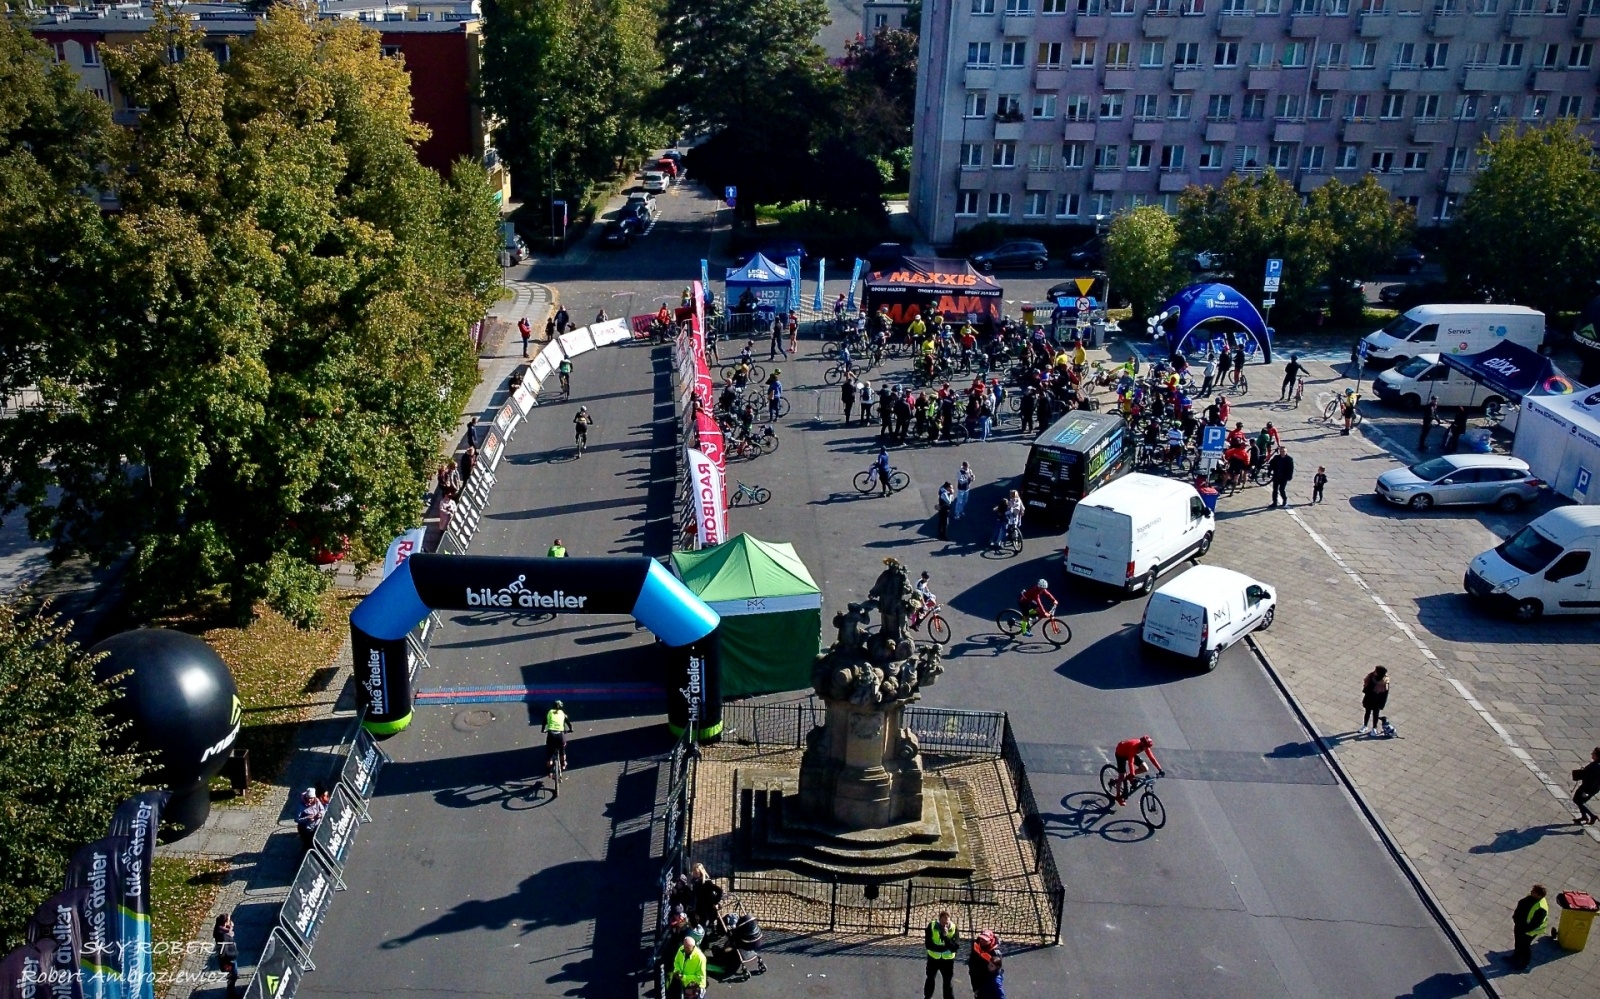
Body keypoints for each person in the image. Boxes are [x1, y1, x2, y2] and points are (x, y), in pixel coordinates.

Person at [1112, 735, 1163, 806]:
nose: (1147, 748)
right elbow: (1131, 762)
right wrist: (1132, 773)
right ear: (1142, 744)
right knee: (1122, 776)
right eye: (1147, 747)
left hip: (1129, 753)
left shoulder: (1145, 746)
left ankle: (1128, 777)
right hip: (1121, 754)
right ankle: (1118, 796)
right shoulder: (1134, 747)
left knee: (1145, 768)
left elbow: (1152, 758)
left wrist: (1160, 769)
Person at [1508, 885, 1549, 971]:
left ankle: (1524, 964)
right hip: (1520, 926)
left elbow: (1536, 923)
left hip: (1529, 931)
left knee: (1525, 947)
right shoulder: (1531, 897)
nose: (1531, 892)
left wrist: (1524, 929)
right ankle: (1516, 956)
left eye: (1533, 891)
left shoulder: (1541, 908)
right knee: (1518, 942)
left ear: (1538, 895)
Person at [924, 910, 959, 999]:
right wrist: (944, 948)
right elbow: (928, 945)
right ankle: (927, 996)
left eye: (947, 923)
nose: (945, 925)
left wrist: (945, 937)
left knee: (947, 982)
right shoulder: (931, 926)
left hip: (947, 961)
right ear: (939, 920)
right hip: (933, 959)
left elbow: (955, 947)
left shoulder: (954, 928)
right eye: (943, 923)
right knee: (930, 979)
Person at [669, 930, 709, 999]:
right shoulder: (681, 949)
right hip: (684, 983)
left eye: (687, 948)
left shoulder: (701, 958)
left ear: (693, 947)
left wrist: (684, 977)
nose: (685, 949)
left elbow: (699, 978)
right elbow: (676, 962)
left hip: (695, 987)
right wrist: (677, 970)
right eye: (684, 946)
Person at [967, 930, 1004, 999]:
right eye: (982, 939)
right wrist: (975, 988)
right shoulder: (976, 946)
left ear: (990, 940)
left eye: (985, 940)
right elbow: (971, 964)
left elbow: (996, 970)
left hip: (988, 981)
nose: (982, 941)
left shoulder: (995, 953)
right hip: (977, 980)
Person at [213, 913, 239, 999]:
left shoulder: (223, 930)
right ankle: (231, 994)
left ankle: (231, 984)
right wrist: (235, 954)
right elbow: (225, 952)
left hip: (229, 959)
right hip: (229, 960)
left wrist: (230, 927)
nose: (231, 922)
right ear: (225, 923)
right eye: (229, 920)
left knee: (233, 975)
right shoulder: (223, 937)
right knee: (232, 976)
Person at [543, 700, 572, 775]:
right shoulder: (562, 714)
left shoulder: (550, 712)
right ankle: (563, 764)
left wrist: (543, 729)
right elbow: (568, 723)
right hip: (560, 734)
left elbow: (544, 721)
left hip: (551, 734)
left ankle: (549, 771)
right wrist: (571, 729)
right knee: (562, 749)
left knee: (550, 752)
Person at [1573, 748, 1600, 825]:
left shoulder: (1595, 767)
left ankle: (1592, 816)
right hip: (1592, 788)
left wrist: (1586, 791)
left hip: (1587, 788)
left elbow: (1591, 778)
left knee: (1577, 800)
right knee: (1579, 801)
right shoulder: (1596, 765)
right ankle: (1584, 816)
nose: (1591, 754)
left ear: (1597, 756)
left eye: (1593, 753)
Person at [1360, 666, 1389, 735]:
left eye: (1376, 671)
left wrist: (1382, 703)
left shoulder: (1385, 682)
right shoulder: (1371, 677)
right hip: (1369, 698)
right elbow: (1366, 683)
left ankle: (1374, 728)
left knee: (1375, 714)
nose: (1374, 672)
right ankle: (1365, 726)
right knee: (1367, 712)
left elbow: (1385, 693)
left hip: (1378, 700)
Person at [295, 788, 324, 853]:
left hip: (317, 825)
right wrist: (307, 818)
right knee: (309, 843)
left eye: (312, 798)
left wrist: (320, 814)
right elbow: (297, 819)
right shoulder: (300, 806)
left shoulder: (317, 801)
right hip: (307, 829)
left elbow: (322, 809)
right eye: (308, 798)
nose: (310, 800)